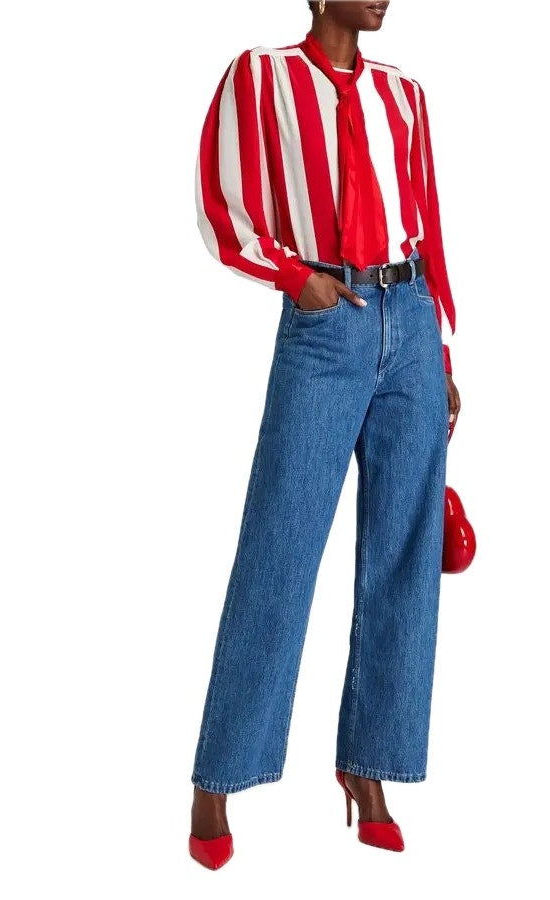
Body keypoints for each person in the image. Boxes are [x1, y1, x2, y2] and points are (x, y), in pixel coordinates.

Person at [188, 0, 461, 869]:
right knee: (280, 545)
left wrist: (439, 349)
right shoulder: (261, 76)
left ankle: (369, 767)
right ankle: (219, 777)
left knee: (405, 557)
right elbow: (222, 205)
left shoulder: (405, 94)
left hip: (409, 319)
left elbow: (428, 223)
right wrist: (294, 277)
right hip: (327, 321)